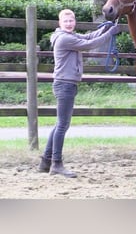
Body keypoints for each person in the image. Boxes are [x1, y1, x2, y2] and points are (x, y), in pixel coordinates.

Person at [38, 9, 121, 178]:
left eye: (71, 21)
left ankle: (46, 161)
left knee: (59, 124)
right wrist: (110, 33)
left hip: (67, 84)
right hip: (65, 84)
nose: (69, 24)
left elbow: (88, 37)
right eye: (66, 21)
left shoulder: (69, 36)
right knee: (62, 125)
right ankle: (57, 164)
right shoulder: (65, 39)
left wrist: (104, 28)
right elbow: (90, 45)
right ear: (60, 23)